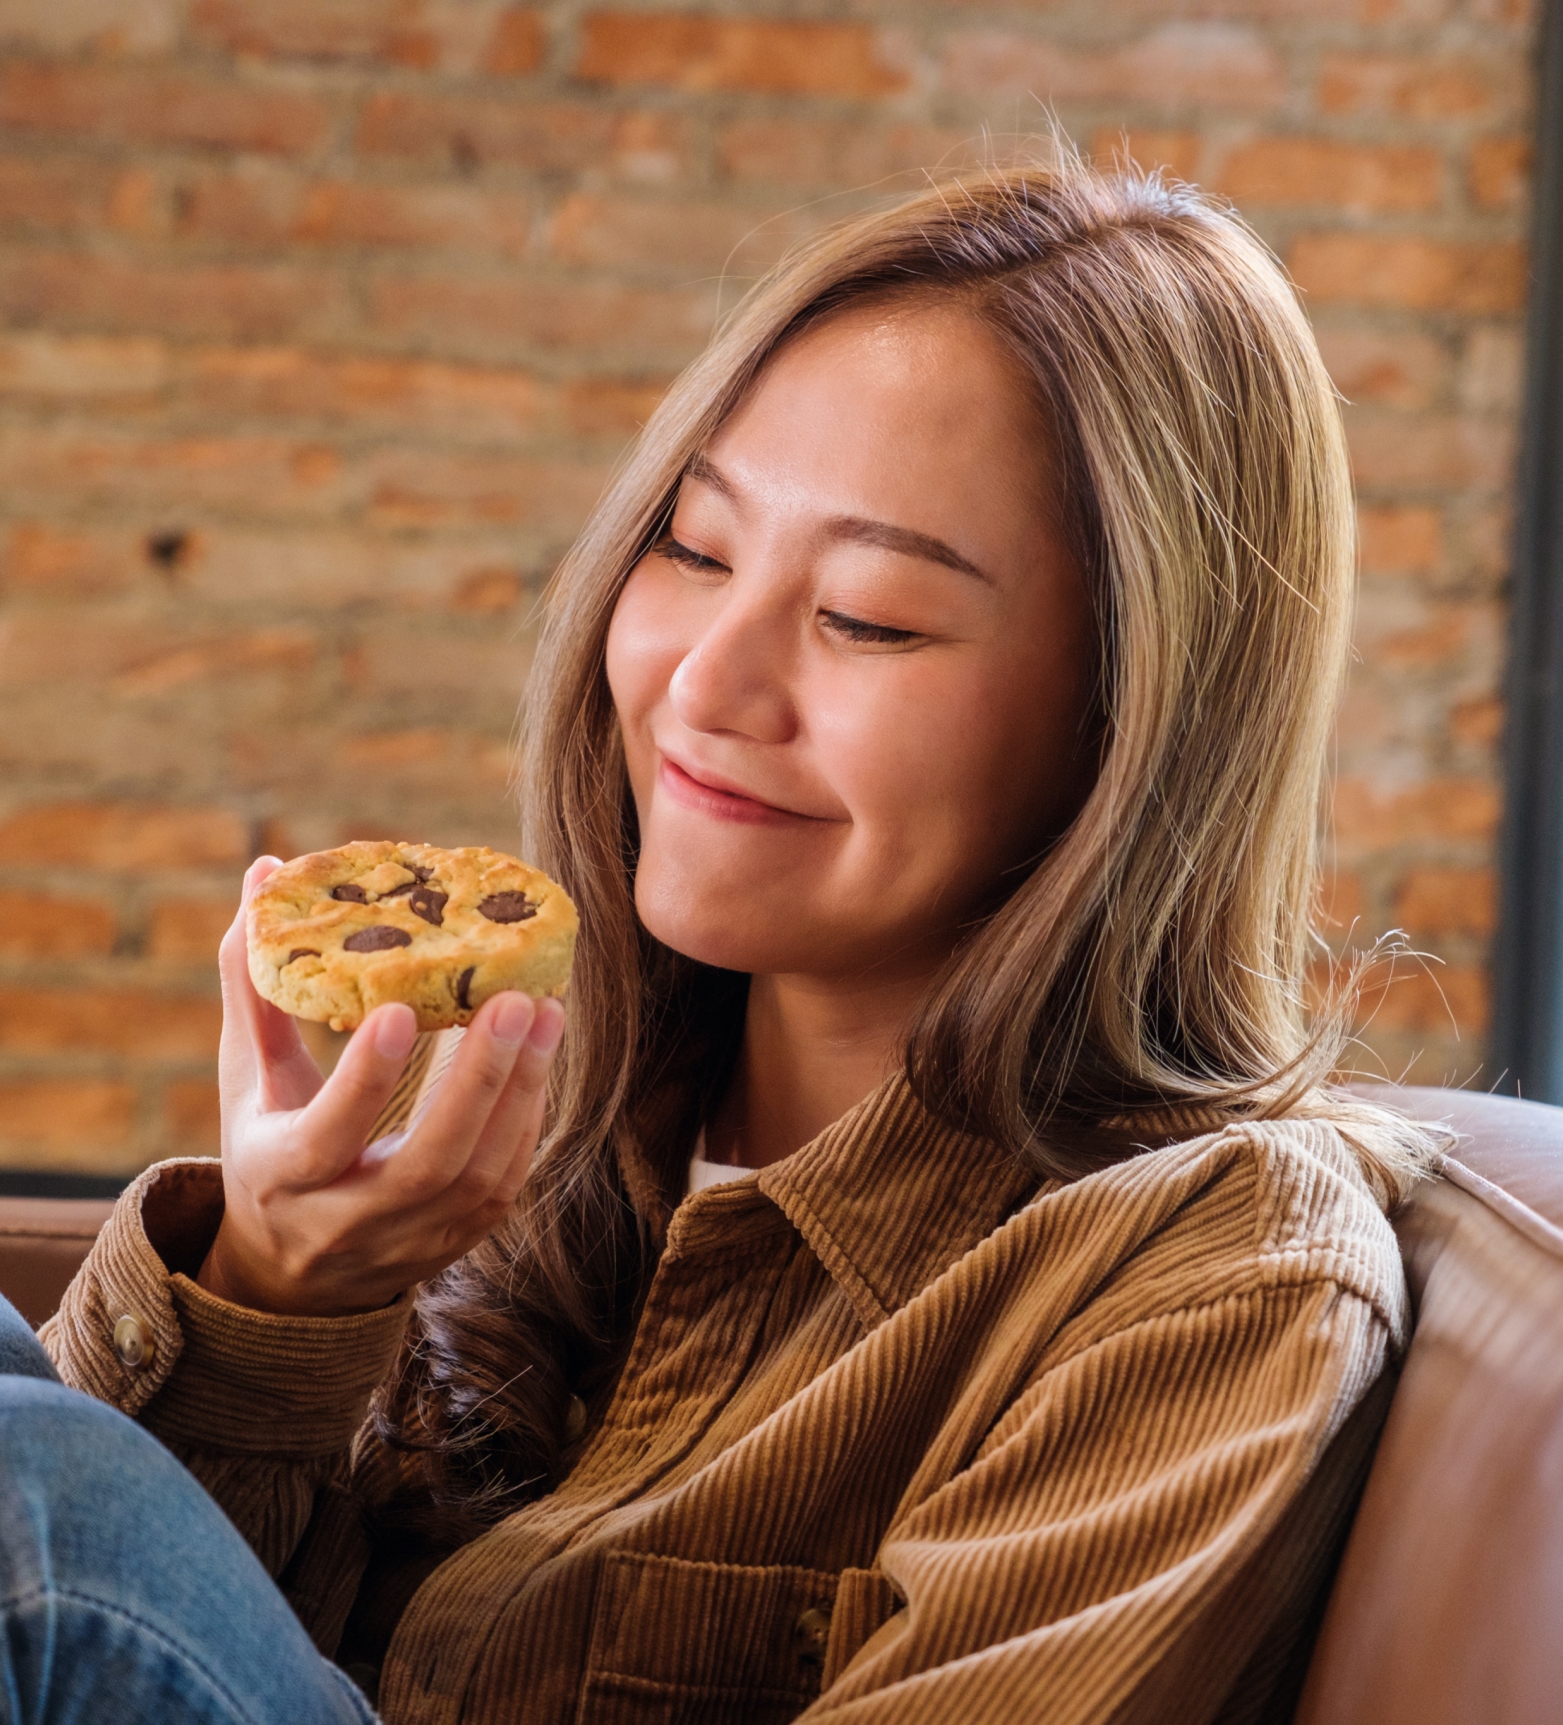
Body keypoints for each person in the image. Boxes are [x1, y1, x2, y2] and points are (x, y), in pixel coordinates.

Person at [3, 157, 1439, 1724]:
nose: (705, 684)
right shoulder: (553, 1133)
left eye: (872, 617)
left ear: (1136, 723)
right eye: (694, 547)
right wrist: (275, 1289)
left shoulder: (1217, 1279)